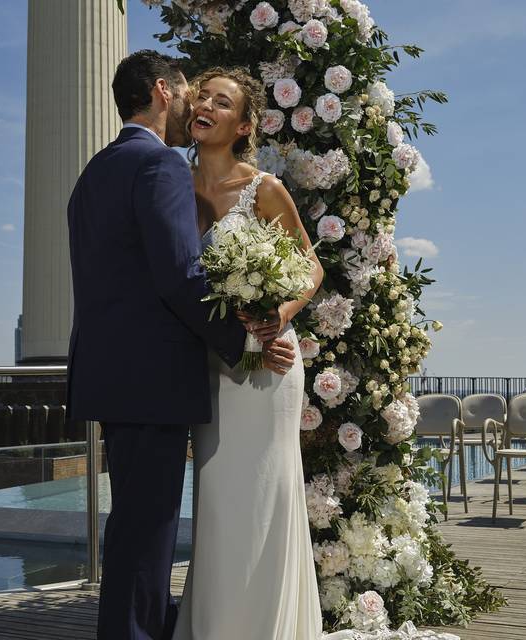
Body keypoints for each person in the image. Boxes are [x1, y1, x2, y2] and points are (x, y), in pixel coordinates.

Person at [65, 51, 297, 640]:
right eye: (193, 90)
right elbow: (176, 274)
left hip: (111, 376)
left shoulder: (94, 172)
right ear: (165, 92)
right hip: (155, 378)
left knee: (134, 528)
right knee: (147, 533)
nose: (198, 102)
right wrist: (243, 343)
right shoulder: (161, 166)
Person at [171, 67, 326, 640]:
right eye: (201, 98)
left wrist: (277, 319)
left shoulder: (263, 188)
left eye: (222, 101)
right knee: (218, 500)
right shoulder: (172, 183)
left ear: (244, 124)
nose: (206, 106)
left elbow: (310, 266)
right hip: (208, 369)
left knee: (265, 495)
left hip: (267, 367)